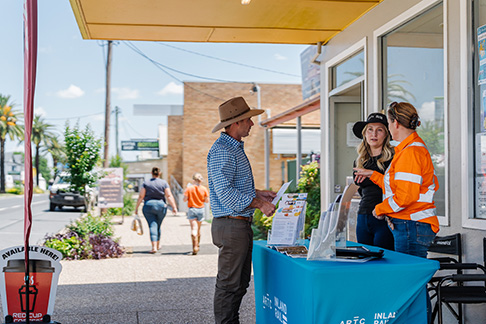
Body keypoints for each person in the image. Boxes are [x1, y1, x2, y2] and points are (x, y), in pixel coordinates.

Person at [207, 96, 276, 324]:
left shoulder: (232, 148)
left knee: (238, 285)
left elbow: (233, 186)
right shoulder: (223, 150)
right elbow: (226, 193)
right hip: (231, 224)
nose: (252, 124)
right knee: (229, 286)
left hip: (236, 224)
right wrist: (260, 204)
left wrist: (259, 193)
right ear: (236, 123)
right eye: (248, 120)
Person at [354, 102, 439, 258]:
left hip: (411, 223)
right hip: (410, 223)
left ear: (395, 123)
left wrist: (380, 209)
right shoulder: (407, 149)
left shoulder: (410, 152)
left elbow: (406, 196)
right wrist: (373, 175)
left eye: (387, 124)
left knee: (408, 279)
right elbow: (396, 187)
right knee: (408, 277)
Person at [352, 112, 395, 250]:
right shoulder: (360, 160)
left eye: (379, 130)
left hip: (385, 217)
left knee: (385, 262)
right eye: (370, 129)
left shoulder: (394, 158)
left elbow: (397, 188)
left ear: (386, 134)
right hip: (363, 215)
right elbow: (361, 190)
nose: (374, 134)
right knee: (364, 259)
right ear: (365, 134)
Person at [135, 167, 178, 254]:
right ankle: (157, 245)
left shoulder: (146, 183)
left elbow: (141, 196)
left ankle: (154, 246)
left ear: (151, 173)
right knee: (158, 225)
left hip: (148, 206)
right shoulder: (164, 183)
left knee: (152, 225)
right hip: (161, 206)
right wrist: (174, 207)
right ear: (160, 173)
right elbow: (169, 195)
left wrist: (136, 208)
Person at [183, 172, 209, 255]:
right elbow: (207, 201)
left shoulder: (189, 188)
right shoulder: (204, 189)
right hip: (200, 209)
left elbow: (184, 199)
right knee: (198, 229)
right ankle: (198, 245)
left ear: (193, 180)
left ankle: (194, 246)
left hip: (192, 209)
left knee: (193, 229)